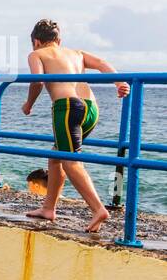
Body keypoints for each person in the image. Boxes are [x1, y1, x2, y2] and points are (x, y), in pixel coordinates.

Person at [21, 18, 130, 232]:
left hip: (68, 107)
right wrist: (120, 82)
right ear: (58, 40)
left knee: (71, 160)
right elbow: (100, 63)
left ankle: (98, 209)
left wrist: (28, 103)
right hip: (91, 109)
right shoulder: (76, 53)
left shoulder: (37, 54)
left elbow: (37, 81)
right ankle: (48, 208)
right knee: (56, 158)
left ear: (35, 41)